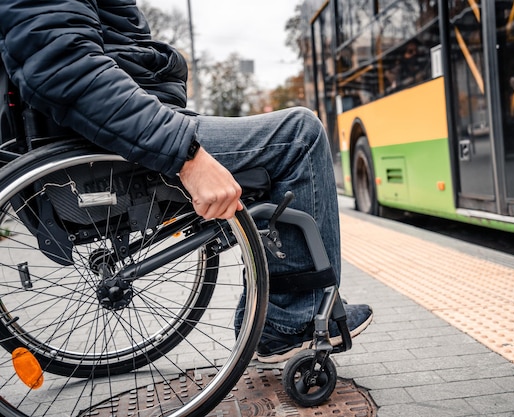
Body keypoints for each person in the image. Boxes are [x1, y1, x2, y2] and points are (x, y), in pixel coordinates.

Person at [0, 0, 372, 364]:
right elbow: (63, 66)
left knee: (267, 157)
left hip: (117, 133)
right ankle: (292, 323)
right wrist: (187, 155)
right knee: (299, 136)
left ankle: (273, 314)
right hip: (109, 147)